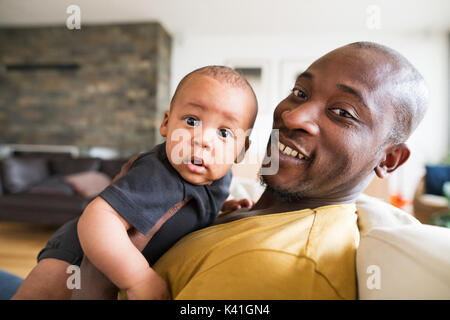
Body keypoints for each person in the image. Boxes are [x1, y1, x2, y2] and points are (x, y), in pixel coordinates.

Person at [12, 41, 428, 299]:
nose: (295, 114)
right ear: (166, 121)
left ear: (388, 159)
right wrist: (227, 210)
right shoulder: (226, 190)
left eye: (342, 111)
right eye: (299, 92)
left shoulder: (283, 261)